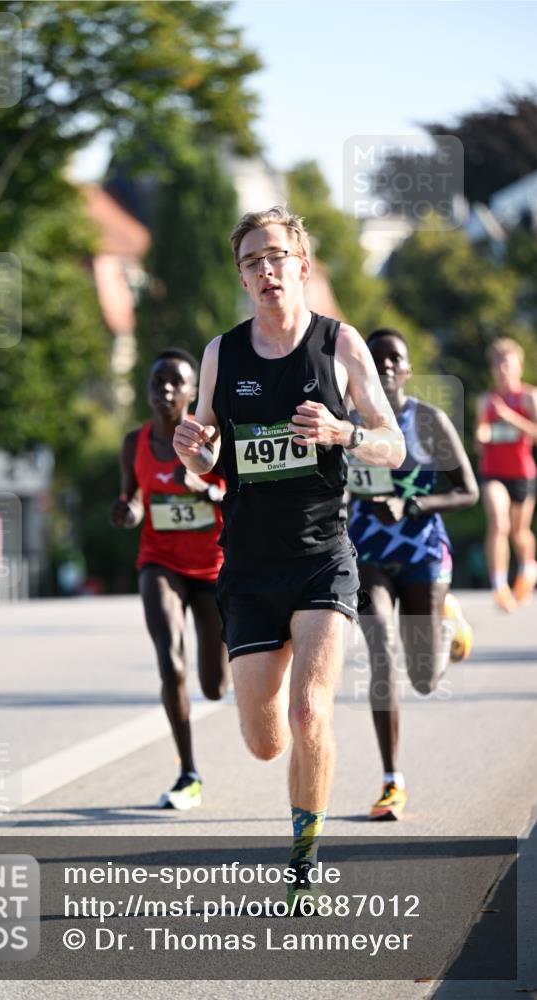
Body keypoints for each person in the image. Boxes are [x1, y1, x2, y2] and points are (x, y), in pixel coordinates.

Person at [173, 207, 405, 907]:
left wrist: (341, 430)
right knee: (265, 740)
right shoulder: (222, 353)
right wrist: (196, 453)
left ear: (301, 266)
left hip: (319, 555)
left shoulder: (340, 345)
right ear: (242, 277)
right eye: (252, 261)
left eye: (276, 257)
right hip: (245, 566)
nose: (266, 270)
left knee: (310, 714)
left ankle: (303, 863)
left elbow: (392, 446)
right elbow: (208, 455)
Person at [348, 328, 479, 820]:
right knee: (381, 654)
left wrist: (412, 503)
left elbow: (468, 490)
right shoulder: (348, 423)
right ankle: (391, 780)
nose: (384, 366)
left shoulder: (427, 421)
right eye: (375, 358)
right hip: (367, 557)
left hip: (423, 552)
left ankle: (449, 624)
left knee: (424, 679)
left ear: (406, 370)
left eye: (394, 359)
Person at [110, 348, 229, 810]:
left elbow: (233, 491)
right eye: (156, 381)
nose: (164, 390)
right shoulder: (133, 443)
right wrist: (127, 511)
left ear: (192, 393)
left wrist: (206, 485)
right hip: (159, 561)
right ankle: (188, 772)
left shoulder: (211, 441)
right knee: (171, 662)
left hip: (212, 568)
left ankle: (221, 687)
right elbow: (133, 499)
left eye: (174, 382)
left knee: (215, 685)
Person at [476, 338, 537, 612]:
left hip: (522, 474)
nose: (503, 370)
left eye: (508, 364)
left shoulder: (528, 397)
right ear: (492, 368)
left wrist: (510, 418)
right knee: (499, 523)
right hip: (493, 473)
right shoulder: (486, 400)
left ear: (518, 366)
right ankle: (499, 584)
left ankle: (527, 568)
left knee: (519, 532)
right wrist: (482, 435)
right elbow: (481, 435)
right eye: (498, 364)